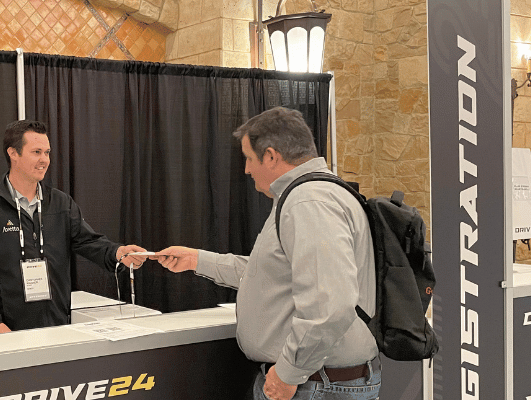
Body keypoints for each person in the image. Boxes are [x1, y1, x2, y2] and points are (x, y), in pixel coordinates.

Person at [156, 107, 380, 400]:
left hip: (315, 386)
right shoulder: (309, 195)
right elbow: (275, 274)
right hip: (318, 382)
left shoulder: (307, 202)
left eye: (249, 158)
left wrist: (289, 372)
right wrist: (198, 260)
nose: (247, 169)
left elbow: (330, 304)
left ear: (272, 156)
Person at [0, 120, 149, 335]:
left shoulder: (61, 204)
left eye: (47, 152)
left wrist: (118, 252)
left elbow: (88, 241)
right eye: (36, 152)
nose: (44, 160)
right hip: (4, 333)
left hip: (55, 327)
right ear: (13, 153)